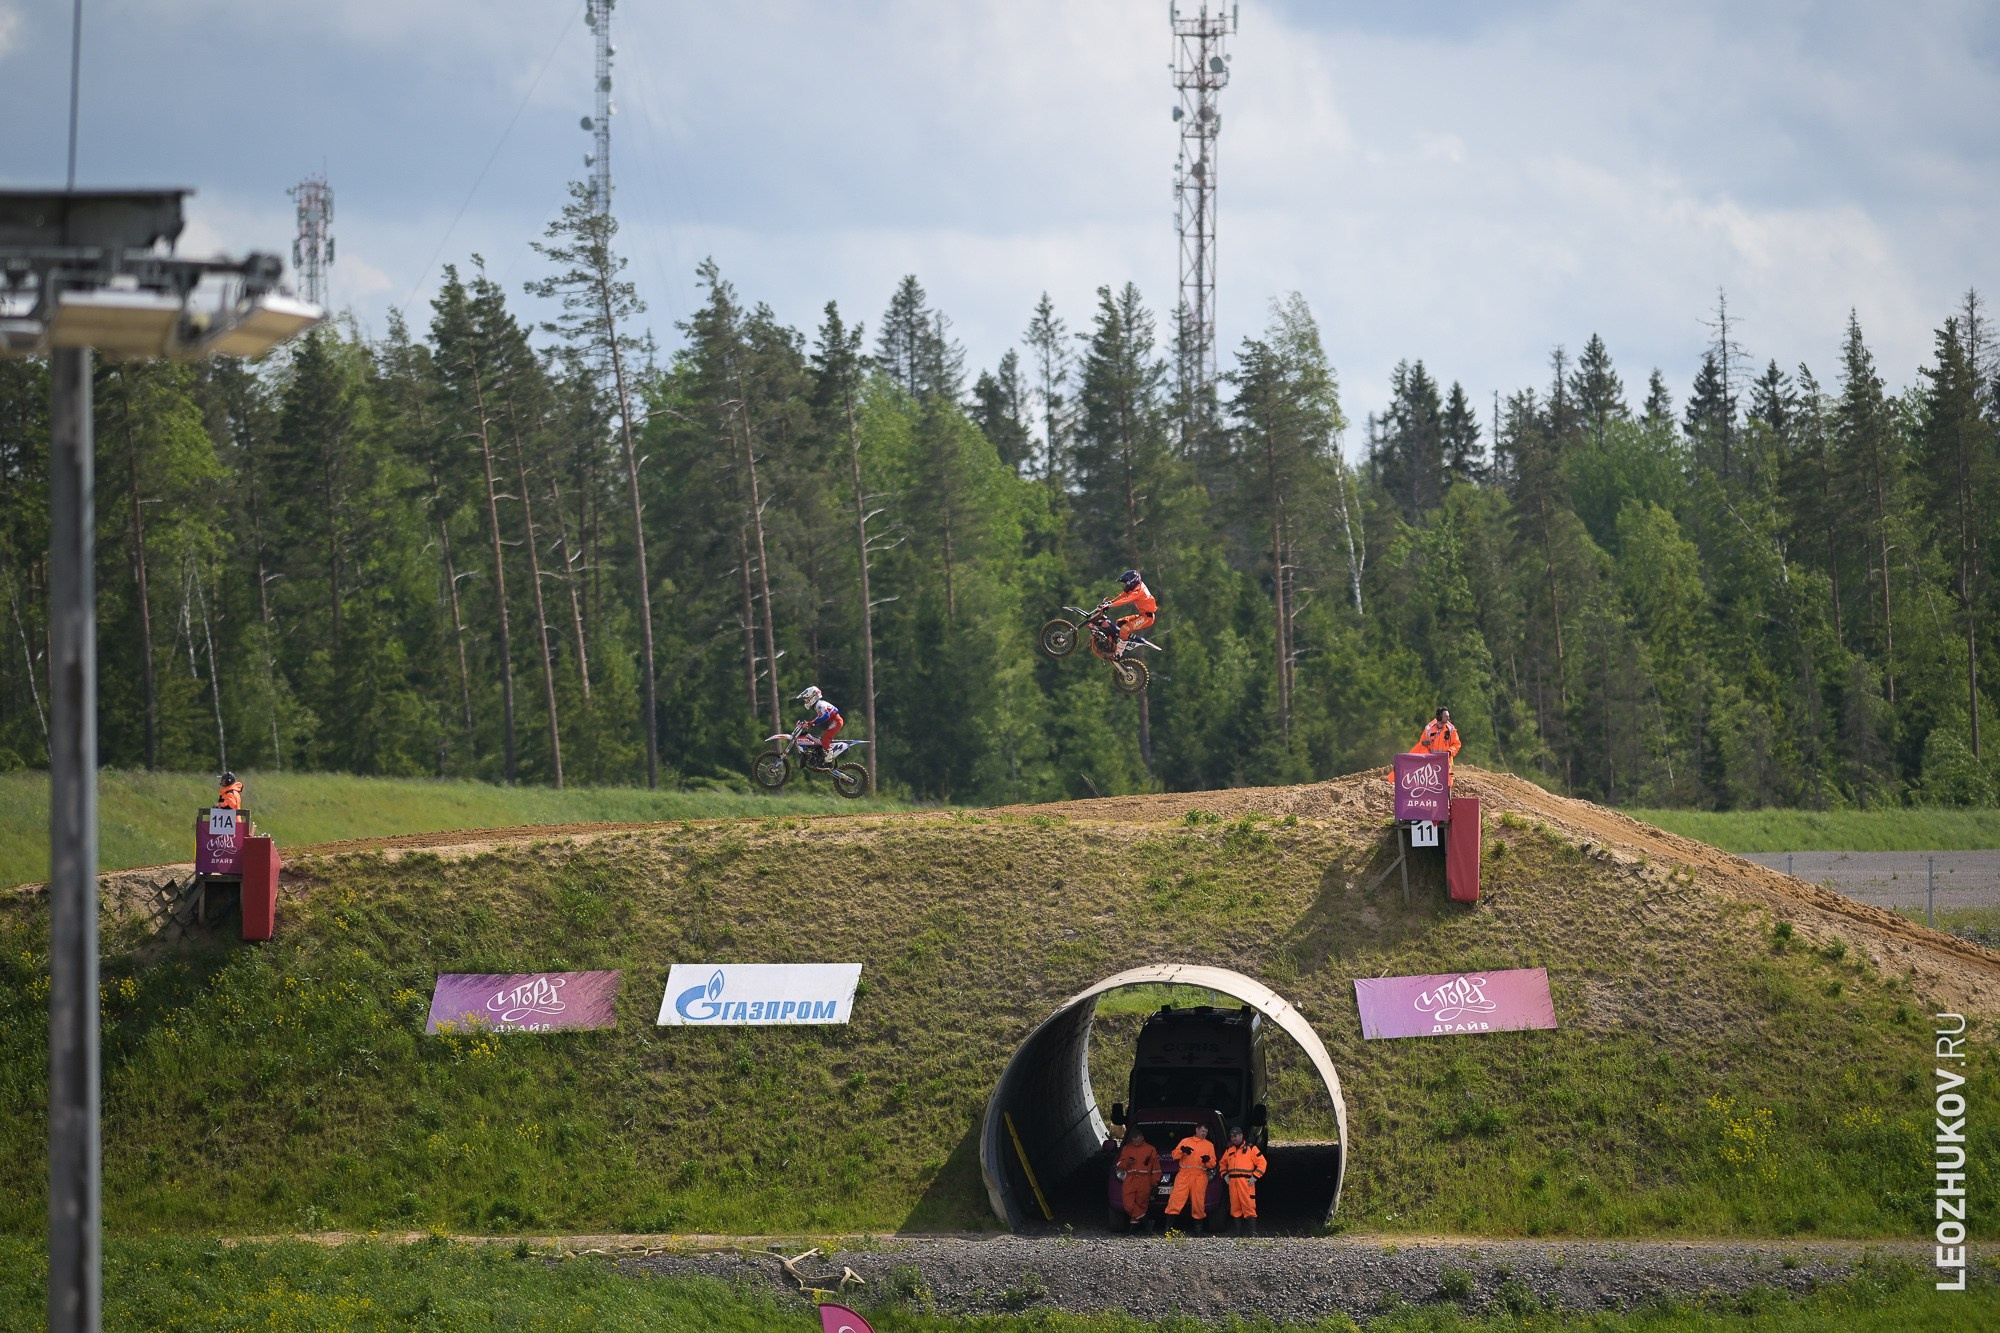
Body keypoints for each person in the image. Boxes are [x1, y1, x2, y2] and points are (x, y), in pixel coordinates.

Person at [1163, 1123, 1216, 1229]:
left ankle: (1198, 1231)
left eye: (1206, 1132)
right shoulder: (1185, 1141)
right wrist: (1182, 1151)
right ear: (1196, 1130)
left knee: (1198, 1203)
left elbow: (1213, 1163)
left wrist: (1208, 1160)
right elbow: (1174, 1155)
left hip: (1200, 1176)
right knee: (1175, 1200)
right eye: (1202, 1131)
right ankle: (1168, 1228)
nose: (1204, 1133)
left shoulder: (1209, 1145)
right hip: (1184, 1175)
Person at [1218, 1126, 1268, 1237]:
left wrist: (1255, 1176)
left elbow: (1262, 1163)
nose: (1234, 1138)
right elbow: (1222, 1163)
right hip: (1233, 1183)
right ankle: (1238, 1235)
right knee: (1235, 1209)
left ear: (1241, 1136)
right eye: (1232, 1136)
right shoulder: (1229, 1150)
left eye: (1235, 1136)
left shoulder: (1251, 1149)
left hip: (1246, 1182)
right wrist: (1225, 1175)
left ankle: (1252, 1234)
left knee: (1249, 1207)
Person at [1100, 569, 1157, 659]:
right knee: (1120, 622)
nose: (1125, 585)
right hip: (1142, 615)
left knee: (1125, 629)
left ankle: (1118, 654)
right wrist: (1110, 602)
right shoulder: (1136, 587)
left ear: (1132, 581)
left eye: (1126, 582)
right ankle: (1119, 644)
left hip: (1147, 617)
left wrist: (1111, 605)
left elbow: (1126, 599)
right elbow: (1122, 595)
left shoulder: (1138, 590)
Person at [1114, 1128, 1161, 1232]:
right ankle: (1146, 1221)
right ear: (1131, 1140)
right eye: (1134, 1141)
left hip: (1145, 1179)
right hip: (1131, 1178)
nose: (1137, 1143)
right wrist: (1127, 1162)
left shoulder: (1150, 1149)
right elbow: (1119, 1165)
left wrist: (1155, 1183)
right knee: (1128, 1204)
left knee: (1141, 1204)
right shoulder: (1127, 1149)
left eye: (1139, 1140)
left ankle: (1133, 1230)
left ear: (1142, 1138)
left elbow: (1156, 1168)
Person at [792, 686, 844, 767]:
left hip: (836, 721)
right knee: (821, 739)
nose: (806, 701)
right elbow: (820, 716)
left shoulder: (820, 704)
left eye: (807, 699)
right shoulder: (818, 705)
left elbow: (826, 715)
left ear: (812, 697)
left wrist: (812, 723)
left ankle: (829, 762)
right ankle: (820, 757)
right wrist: (810, 723)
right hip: (835, 721)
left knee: (825, 739)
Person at [1413, 706, 1461, 784]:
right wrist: (1428, 756)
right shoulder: (1429, 729)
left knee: (1446, 783)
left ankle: (1447, 796)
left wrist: (1449, 752)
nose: (1448, 718)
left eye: (1448, 716)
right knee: (1430, 783)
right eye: (1446, 716)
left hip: (1445, 762)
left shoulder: (1451, 729)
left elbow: (1457, 744)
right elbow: (1423, 744)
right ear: (1439, 716)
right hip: (1430, 763)